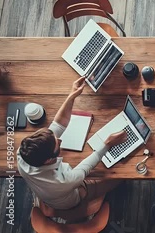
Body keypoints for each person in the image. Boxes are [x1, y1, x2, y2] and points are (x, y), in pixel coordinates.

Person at [17, 77, 127, 210]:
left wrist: (72, 96)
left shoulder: (23, 153)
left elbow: (59, 123)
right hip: (70, 200)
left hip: (49, 191)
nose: (60, 139)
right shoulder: (62, 182)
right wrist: (108, 144)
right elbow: (84, 168)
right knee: (119, 178)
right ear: (48, 160)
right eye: (57, 145)